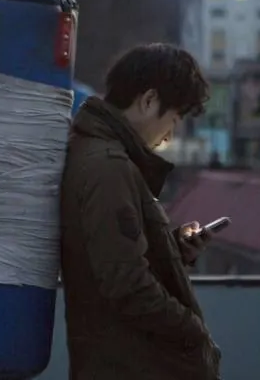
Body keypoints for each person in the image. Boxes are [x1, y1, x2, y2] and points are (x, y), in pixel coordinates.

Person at [59, 43, 221, 380]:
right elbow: (127, 284)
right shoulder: (108, 167)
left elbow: (112, 257)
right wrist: (192, 329)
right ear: (148, 101)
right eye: (173, 119)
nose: (169, 136)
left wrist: (173, 249)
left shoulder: (100, 157)